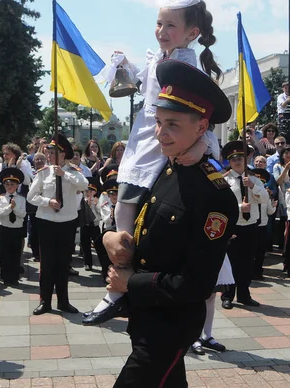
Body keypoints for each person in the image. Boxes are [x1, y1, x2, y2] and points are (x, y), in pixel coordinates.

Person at [84, 0, 222, 326]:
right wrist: (123, 66)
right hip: (141, 146)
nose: (161, 31)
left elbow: (200, 116)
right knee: (123, 218)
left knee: (145, 225)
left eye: (170, 26)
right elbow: (134, 84)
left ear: (193, 33)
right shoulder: (158, 62)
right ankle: (120, 289)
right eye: (159, 24)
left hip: (160, 152)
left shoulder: (187, 70)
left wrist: (205, 143)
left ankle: (121, 291)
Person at [102, 59, 237, 387]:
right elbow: (146, 233)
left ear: (201, 128)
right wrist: (110, 238)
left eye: (173, 124)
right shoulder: (168, 169)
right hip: (147, 317)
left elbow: (197, 283)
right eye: (159, 122)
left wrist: (129, 282)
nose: (161, 134)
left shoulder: (214, 196)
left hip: (171, 325)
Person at [27, 133, 88, 315]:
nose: (49, 155)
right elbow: (31, 196)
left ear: (63, 154)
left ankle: (63, 301)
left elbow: (84, 185)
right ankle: (45, 301)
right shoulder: (43, 172)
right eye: (49, 152)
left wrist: (64, 175)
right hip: (46, 222)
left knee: (63, 263)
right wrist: (47, 202)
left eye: (53, 152)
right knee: (47, 264)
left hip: (67, 223)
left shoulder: (73, 172)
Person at [220, 140, 266, 309]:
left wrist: (253, 187)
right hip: (233, 227)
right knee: (231, 262)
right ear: (229, 162)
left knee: (247, 262)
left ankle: (244, 294)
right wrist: (240, 207)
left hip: (250, 226)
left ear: (246, 160)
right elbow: (221, 204)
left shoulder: (255, 179)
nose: (237, 161)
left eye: (241, 158)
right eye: (233, 159)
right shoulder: (224, 181)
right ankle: (227, 295)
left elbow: (264, 199)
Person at [0, 167, 26, 287]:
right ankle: (5, 277)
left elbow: (22, 214)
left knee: (16, 254)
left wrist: (15, 208)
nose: (9, 186)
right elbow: (0, 214)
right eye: (7, 184)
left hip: (17, 230)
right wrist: (9, 208)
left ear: (17, 185)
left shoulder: (21, 199)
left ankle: (14, 277)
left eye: (12, 184)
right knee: (4, 254)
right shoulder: (1, 198)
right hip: (5, 229)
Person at [80, 176, 101, 271]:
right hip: (85, 225)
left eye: (91, 191)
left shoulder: (98, 201)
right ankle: (88, 263)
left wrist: (95, 205)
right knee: (85, 245)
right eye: (87, 191)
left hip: (95, 226)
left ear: (95, 192)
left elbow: (101, 214)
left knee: (98, 245)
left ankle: (102, 262)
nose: (88, 193)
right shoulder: (82, 201)